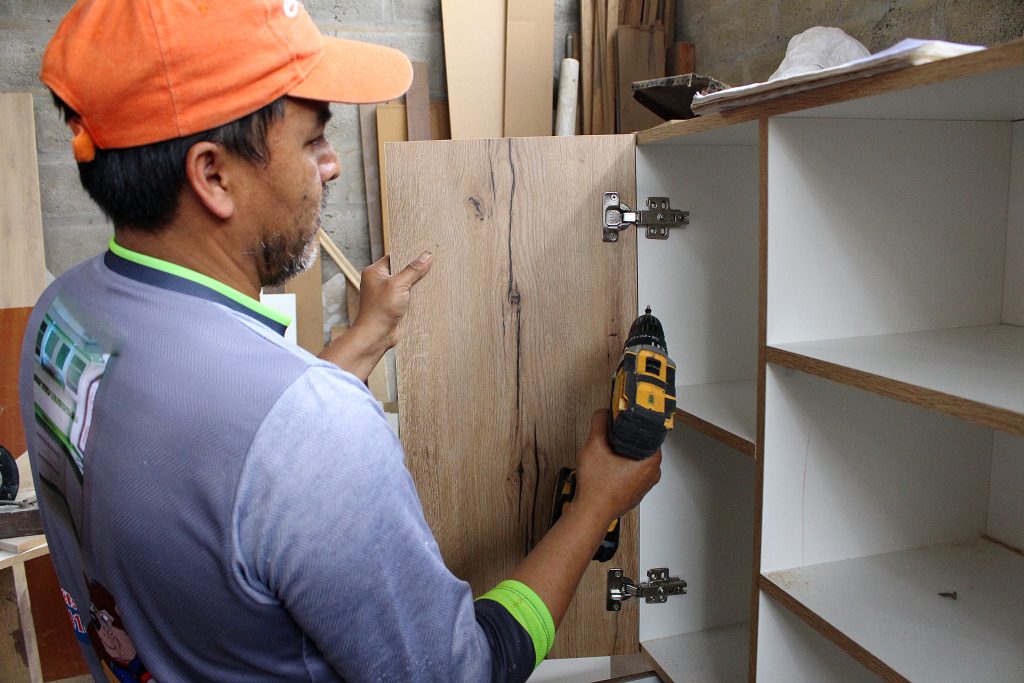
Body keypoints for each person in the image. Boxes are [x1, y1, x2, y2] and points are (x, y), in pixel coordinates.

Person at [19, 1, 663, 681]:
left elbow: (242, 470)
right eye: (312, 141)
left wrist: (365, 338)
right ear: (213, 176)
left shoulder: (62, 314)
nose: (330, 165)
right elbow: (460, 673)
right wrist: (595, 505)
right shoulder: (315, 433)